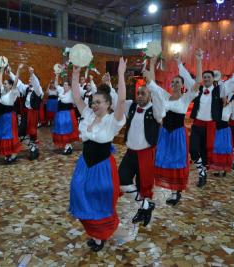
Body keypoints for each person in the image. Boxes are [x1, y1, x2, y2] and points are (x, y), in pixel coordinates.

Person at [69, 57, 127, 252]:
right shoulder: (88, 115)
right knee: (78, 191)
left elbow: (122, 102)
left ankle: (100, 236)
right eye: (93, 102)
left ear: (108, 104)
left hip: (102, 167)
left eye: (99, 102)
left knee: (99, 199)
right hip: (85, 163)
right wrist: (76, 73)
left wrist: (120, 75)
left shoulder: (113, 120)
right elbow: (77, 97)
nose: (94, 105)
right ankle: (93, 230)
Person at [177, 50, 234, 187]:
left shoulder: (220, 90)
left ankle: (202, 172)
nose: (206, 79)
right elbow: (186, 77)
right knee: (192, 149)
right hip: (197, 125)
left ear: (213, 79)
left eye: (209, 77)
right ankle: (201, 172)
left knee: (205, 154)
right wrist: (179, 63)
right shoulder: (197, 89)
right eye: (204, 77)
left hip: (211, 126)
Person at [147, 54, 201, 205]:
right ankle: (170, 189)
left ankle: (176, 192)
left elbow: (197, 83)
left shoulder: (185, 97)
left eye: (178, 82)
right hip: (165, 133)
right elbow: (151, 83)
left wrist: (198, 60)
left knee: (177, 161)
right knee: (164, 160)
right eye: (173, 81)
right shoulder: (165, 96)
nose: (175, 83)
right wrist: (152, 64)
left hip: (178, 134)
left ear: (182, 85)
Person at [118, 56, 161, 226]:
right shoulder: (131, 106)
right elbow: (118, 101)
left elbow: (158, 97)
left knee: (144, 186)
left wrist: (151, 78)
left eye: (144, 93)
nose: (140, 95)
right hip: (130, 153)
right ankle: (145, 205)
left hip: (146, 153)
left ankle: (143, 209)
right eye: (139, 93)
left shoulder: (156, 110)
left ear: (150, 94)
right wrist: (118, 77)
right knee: (122, 180)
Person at [9, 67, 43, 160]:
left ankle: (33, 150)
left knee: (32, 133)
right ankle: (33, 148)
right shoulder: (27, 88)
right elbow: (19, 83)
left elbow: (36, 85)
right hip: (26, 113)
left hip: (33, 114)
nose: (29, 80)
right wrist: (10, 72)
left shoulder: (38, 90)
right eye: (29, 78)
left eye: (30, 79)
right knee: (21, 133)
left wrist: (32, 74)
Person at [0, 65, 23, 163]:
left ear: (10, 86)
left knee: (9, 135)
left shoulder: (12, 92)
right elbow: (0, 80)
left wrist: (18, 69)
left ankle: (13, 154)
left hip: (9, 118)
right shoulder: (3, 91)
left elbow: (16, 81)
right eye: (4, 84)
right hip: (2, 118)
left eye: (6, 84)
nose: (4, 85)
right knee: (1, 134)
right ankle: (8, 153)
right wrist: (1, 70)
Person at [52, 74, 79, 155]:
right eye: (64, 84)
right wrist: (57, 75)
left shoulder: (71, 93)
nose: (64, 86)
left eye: (66, 84)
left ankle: (68, 147)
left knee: (66, 130)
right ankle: (68, 146)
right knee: (61, 130)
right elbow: (56, 85)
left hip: (67, 115)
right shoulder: (61, 90)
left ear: (70, 86)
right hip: (60, 114)